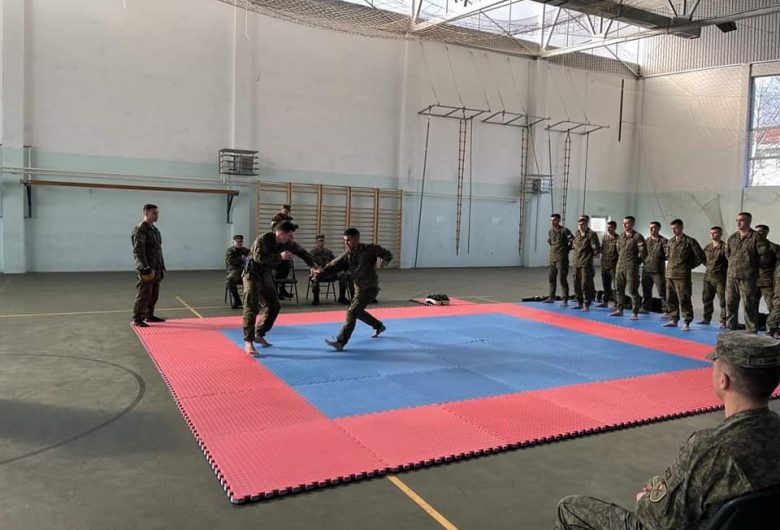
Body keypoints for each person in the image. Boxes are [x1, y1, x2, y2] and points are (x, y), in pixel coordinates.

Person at [553, 332, 780, 530]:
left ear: (723, 380)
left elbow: (660, 522)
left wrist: (645, 500)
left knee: (570, 508)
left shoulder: (711, 448)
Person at [242, 221, 320, 355]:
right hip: (252, 274)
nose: (290, 239)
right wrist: (280, 256)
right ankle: (248, 341)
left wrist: (313, 265)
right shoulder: (264, 239)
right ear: (281, 233)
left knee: (274, 306)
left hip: (265, 274)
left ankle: (258, 334)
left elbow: (302, 252)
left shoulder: (287, 243)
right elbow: (258, 257)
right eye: (289, 235)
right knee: (251, 306)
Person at [315, 228, 393, 351]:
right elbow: (332, 266)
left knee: (352, 312)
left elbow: (387, 254)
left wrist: (384, 260)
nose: (346, 243)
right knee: (357, 312)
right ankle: (378, 326)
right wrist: (318, 273)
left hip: (370, 288)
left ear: (357, 239)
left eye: (349, 240)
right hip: (359, 289)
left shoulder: (369, 249)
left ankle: (340, 342)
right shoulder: (346, 255)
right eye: (345, 240)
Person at [725, 212, 769, 333]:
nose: (738, 223)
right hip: (732, 276)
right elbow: (727, 254)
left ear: (749, 221)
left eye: (742, 220)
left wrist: (752, 268)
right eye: (737, 220)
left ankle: (751, 331)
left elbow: (764, 257)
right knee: (730, 304)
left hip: (748, 277)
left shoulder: (756, 237)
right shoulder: (733, 237)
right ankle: (731, 329)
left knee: (749, 305)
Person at [663, 219, 705, 332]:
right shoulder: (671, 241)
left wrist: (689, 266)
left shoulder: (689, 241)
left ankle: (687, 322)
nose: (674, 231)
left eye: (676, 228)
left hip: (682, 275)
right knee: (670, 298)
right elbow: (668, 256)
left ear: (681, 227)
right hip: (670, 273)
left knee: (684, 298)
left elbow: (701, 256)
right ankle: (673, 319)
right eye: (672, 229)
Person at [131, 204, 166, 327]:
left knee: (154, 294)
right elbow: (138, 251)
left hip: (156, 267)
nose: (157, 215)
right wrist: (144, 267)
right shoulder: (141, 229)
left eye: (157, 213)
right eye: (154, 213)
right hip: (147, 268)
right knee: (144, 294)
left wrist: (161, 266)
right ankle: (137, 318)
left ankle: (149, 315)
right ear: (146, 214)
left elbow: (157, 249)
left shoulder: (154, 230)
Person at [610, 216, 647, 320]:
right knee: (619, 289)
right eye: (623, 223)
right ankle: (620, 309)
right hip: (620, 266)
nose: (624, 225)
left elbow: (643, 253)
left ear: (632, 224)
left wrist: (635, 262)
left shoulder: (638, 237)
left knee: (632, 290)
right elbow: (618, 250)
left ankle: (635, 312)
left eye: (627, 223)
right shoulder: (621, 236)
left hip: (631, 267)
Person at [698, 226, 729, 328]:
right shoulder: (708, 247)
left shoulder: (724, 247)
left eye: (715, 233)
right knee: (706, 298)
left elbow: (729, 261)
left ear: (720, 234)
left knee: (723, 300)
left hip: (720, 278)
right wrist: (709, 267)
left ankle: (724, 321)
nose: (712, 235)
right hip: (708, 277)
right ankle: (706, 318)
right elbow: (702, 258)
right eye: (711, 233)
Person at [309, 234, 351, 305]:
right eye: (320, 241)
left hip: (329, 273)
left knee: (343, 274)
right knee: (315, 277)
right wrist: (317, 269)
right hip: (318, 273)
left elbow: (334, 263)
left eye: (323, 241)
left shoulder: (329, 252)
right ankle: (316, 299)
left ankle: (342, 297)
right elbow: (311, 264)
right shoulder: (312, 253)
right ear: (316, 242)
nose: (321, 243)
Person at [571, 215, 601, 311]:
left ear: (586, 224)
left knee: (585, 285)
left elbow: (596, 250)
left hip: (586, 264)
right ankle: (579, 303)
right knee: (576, 284)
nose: (581, 226)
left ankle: (586, 304)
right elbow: (574, 245)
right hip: (576, 263)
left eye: (583, 224)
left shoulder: (591, 234)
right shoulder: (577, 233)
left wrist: (588, 256)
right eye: (579, 225)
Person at [544, 213, 574, 307]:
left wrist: (567, 249)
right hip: (552, 258)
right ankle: (551, 297)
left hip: (562, 259)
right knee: (551, 279)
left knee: (562, 279)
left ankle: (565, 299)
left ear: (559, 220)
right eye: (551, 220)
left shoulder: (564, 230)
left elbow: (573, 240)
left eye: (554, 220)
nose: (553, 222)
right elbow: (550, 241)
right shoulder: (550, 231)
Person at [640, 221, 668, 316]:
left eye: (654, 228)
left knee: (662, 291)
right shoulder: (646, 240)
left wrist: (658, 258)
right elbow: (642, 253)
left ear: (658, 229)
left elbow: (668, 255)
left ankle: (666, 310)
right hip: (646, 269)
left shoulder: (663, 241)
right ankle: (646, 307)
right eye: (650, 228)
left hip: (657, 270)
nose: (651, 230)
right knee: (646, 291)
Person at [270, 204, 295, 298]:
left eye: (288, 211)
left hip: (286, 244)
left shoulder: (288, 218)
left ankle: (282, 289)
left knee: (286, 267)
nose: (286, 212)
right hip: (278, 243)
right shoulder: (276, 218)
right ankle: (275, 291)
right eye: (285, 210)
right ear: (281, 209)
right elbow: (274, 229)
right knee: (277, 269)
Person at [755, 225, 778, 322]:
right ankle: (754, 324)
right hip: (752, 281)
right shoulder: (750, 247)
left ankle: (772, 326)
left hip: (767, 280)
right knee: (751, 305)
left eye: (761, 232)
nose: (758, 234)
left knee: (771, 305)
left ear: (766, 232)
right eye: (756, 232)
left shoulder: (773, 247)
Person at [597, 220, 619, 308]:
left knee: (616, 286)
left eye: (610, 228)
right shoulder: (605, 238)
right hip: (604, 265)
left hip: (614, 266)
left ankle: (617, 304)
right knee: (606, 285)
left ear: (615, 228)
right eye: (607, 228)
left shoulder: (618, 239)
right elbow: (602, 249)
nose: (608, 229)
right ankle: (605, 302)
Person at [225, 234, 250, 309]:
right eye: (238, 241)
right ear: (233, 242)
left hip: (245, 270)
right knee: (230, 280)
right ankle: (237, 300)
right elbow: (231, 262)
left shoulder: (246, 250)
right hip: (234, 270)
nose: (239, 243)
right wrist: (242, 260)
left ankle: (252, 300)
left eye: (241, 241)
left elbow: (251, 258)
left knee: (257, 278)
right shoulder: (230, 251)